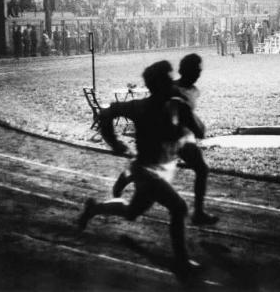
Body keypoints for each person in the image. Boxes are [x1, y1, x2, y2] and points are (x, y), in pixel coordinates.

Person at [77, 60, 205, 275]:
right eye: (167, 79)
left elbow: (200, 131)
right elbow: (106, 113)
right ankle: (181, 262)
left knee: (131, 212)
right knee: (179, 208)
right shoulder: (145, 106)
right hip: (146, 172)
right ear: (160, 84)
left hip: (159, 169)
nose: (172, 82)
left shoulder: (166, 105)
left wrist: (187, 116)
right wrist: (114, 142)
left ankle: (95, 208)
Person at [112, 54, 218, 225]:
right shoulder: (172, 88)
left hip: (182, 137)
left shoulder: (193, 90)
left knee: (201, 169)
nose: (198, 73)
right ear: (185, 70)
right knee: (150, 164)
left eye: (199, 70)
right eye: (195, 69)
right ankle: (125, 177)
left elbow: (188, 118)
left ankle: (198, 212)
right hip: (167, 136)